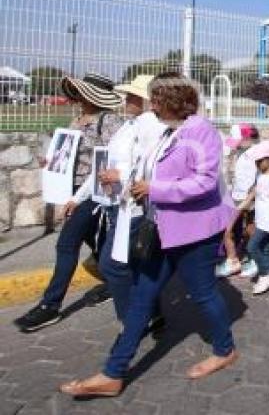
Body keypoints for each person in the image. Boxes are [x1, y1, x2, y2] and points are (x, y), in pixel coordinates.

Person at [59, 72, 239, 398]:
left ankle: (224, 350)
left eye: (156, 98)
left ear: (172, 99)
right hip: (162, 229)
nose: (151, 105)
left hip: (195, 231)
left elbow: (204, 183)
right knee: (142, 297)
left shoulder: (201, 132)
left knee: (203, 294)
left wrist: (155, 188)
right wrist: (129, 181)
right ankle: (113, 373)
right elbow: (148, 170)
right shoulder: (168, 132)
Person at [14, 73, 124, 333]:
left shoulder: (109, 121)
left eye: (81, 91)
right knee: (95, 242)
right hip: (70, 190)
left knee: (67, 244)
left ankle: (50, 305)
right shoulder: (77, 119)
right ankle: (114, 282)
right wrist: (52, 162)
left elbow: (115, 158)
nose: (77, 95)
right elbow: (67, 152)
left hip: (91, 194)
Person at [92, 75, 167, 324]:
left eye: (133, 96)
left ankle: (131, 321)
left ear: (147, 101)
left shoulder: (152, 125)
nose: (127, 99)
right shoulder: (132, 124)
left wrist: (120, 174)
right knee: (137, 264)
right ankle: (151, 313)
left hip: (134, 206)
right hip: (119, 203)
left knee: (113, 265)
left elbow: (152, 162)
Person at [239, 141, 269, 295]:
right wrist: (244, 204)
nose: (257, 163)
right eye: (256, 161)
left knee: (252, 247)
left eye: (260, 160)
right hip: (261, 215)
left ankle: (265, 274)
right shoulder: (260, 174)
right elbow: (254, 191)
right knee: (266, 247)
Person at [216, 123, 260, 278]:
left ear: (248, 138)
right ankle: (233, 259)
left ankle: (252, 260)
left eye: (239, 140)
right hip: (237, 197)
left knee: (248, 230)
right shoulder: (242, 151)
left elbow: (259, 178)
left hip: (250, 200)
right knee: (228, 229)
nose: (236, 145)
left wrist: (250, 197)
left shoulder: (257, 153)